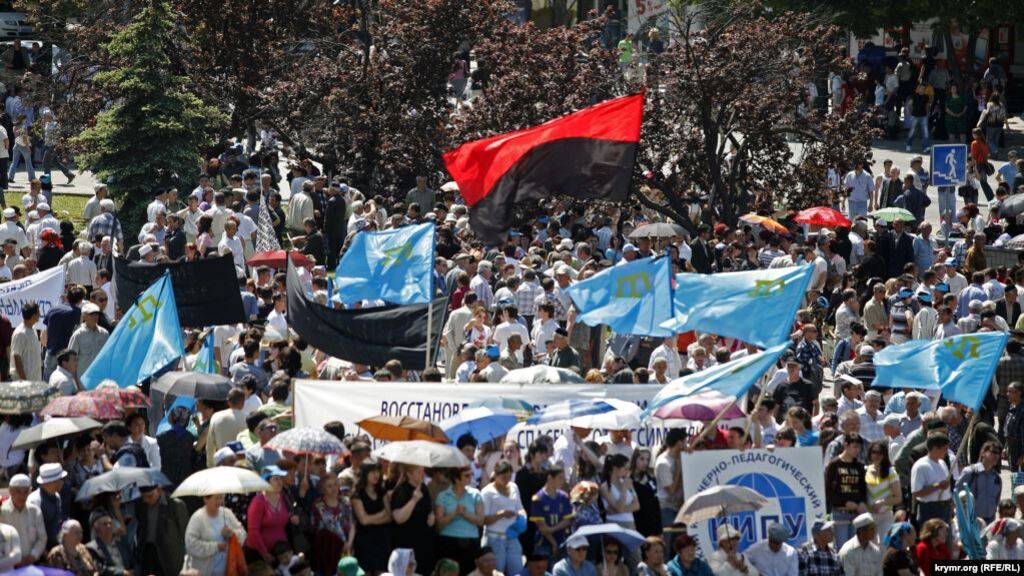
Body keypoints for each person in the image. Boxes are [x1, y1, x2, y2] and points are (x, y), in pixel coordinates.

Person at [436, 466, 484, 575]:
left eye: (471, 474)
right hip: (448, 541)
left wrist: (464, 513)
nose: (470, 478)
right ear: (456, 479)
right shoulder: (442, 496)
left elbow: (480, 520)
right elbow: (439, 522)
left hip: (470, 541)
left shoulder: (476, 494)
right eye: (467, 476)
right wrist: (455, 513)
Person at [184, 493, 246, 576]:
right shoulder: (197, 518)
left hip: (229, 570)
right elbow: (191, 545)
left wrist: (232, 533)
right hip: (205, 572)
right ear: (206, 499)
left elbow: (243, 534)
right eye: (216, 498)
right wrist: (216, 547)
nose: (219, 501)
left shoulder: (227, 513)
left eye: (221, 498)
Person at [481, 459, 526, 576]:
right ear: (496, 475)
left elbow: (520, 507)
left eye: (509, 477)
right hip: (495, 538)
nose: (507, 480)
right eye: (503, 477)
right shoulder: (487, 492)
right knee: (497, 573)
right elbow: (483, 520)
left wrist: (522, 516)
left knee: (518, 572)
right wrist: (501, 514)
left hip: (513, 537)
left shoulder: (514, 487)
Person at [390, 463, 436, 574]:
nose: (423, 474)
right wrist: (413, 500)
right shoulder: (401, 490)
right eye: (419, 472)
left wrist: (432, 517)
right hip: (407, 543)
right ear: (409, 474)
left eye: (423, 471)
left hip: (424, 542)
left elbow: (429, 509)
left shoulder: (424, 488)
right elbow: (399, 518)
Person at [135, 484, 189, 576]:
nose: (147, 500)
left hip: (169, 554)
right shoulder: (140, 504)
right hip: (147, 551)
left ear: (159, 490)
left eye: (150, 496)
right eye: (144, 497)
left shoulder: (175, 505)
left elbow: (185, 533)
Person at [352, 461, 392, 575]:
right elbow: (363, 520)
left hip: (382, 540)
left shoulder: (381, 492)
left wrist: (372, 519)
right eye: (372, 472)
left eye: (377, 471)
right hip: (364, 542)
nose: (376, 475)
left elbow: (389, 517)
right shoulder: (357, 495)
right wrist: (380, 514)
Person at [312, 472, 356, 576]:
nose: (334, 488)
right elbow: (324, 526)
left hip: (347, 547)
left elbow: (351, 523)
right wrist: (343, 543)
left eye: (336, 484)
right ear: (323, 489)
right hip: (328, 549)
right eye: (329, 486)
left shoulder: (345, 501)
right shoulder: (319, 504)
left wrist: (349, 543)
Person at [246, 465, 291, 564]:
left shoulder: (284, 498)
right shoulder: (258, 502)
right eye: (276, 479)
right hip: (260, 555)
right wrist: (264, 553)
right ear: (266, 482)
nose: (280, 482)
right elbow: (253, 532)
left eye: (280, 479)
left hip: (281, 553)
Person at [1, 473, 45, 567]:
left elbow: (42, 538)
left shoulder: (35, 511)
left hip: (31, 564)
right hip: (8, 566)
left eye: (25, 492)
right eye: (18, 491)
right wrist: (12, 560)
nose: (22, 496)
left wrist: (32, 557)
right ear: (10, 491)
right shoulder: (2, 512)